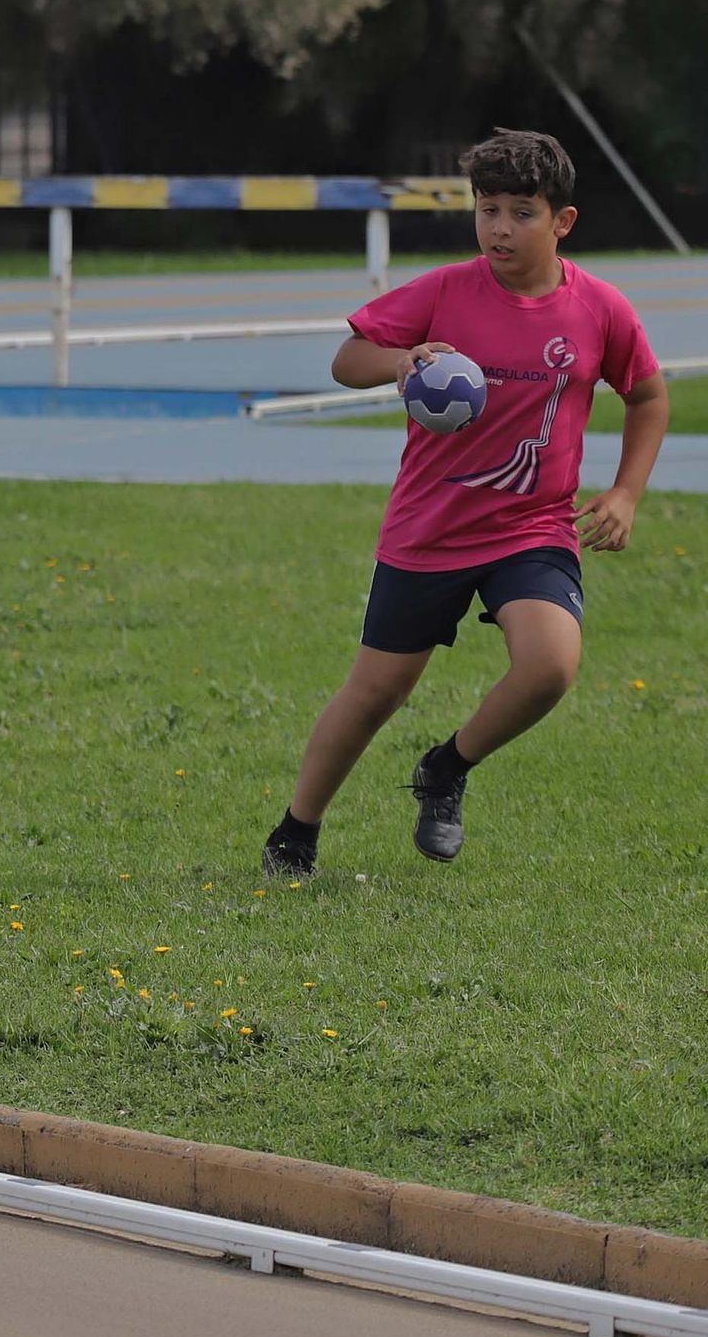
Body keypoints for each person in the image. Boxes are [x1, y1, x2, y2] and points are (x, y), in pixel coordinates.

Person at [262, 129, 668, 876]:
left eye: (521, 212)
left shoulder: (600, 310)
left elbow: (647, 397)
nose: (501, 229)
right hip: (430, 529)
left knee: (550, 663)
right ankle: (296, 830)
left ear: (562, 222)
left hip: (531, 527)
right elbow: (347, 359)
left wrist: (626, 491)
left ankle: (446, 767)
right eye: (488, 211)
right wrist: (399, 359)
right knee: (376, 691)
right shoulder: (445, 291)